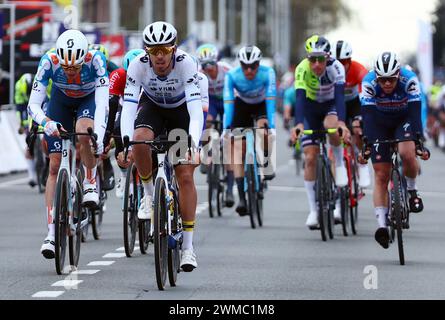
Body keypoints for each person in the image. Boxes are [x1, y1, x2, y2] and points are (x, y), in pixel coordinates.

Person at [120, 21, 203, 272]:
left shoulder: (187, 63)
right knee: (140, 137)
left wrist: (194, 143)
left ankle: (188, 248)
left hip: (181, 111)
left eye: (164, 50)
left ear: (173, 49)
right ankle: (148, 195)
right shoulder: (138, 66)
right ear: (146, 51)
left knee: (185, 174)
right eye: (153, 50)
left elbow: (196, 110)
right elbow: (129, 107)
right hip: (153, 106)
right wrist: (126, 142)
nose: (158, 56)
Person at [28, 29, 108, 259]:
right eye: (66, 68)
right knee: (54, 166)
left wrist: (99, 136)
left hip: (88, 99)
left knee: (84, 133)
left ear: (84, 58)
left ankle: (91, 180)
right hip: (60, 102)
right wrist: (46, 122)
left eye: (76, 67)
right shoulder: (49, 61)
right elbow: (33, 104)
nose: (71, 72)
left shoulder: (96, 61)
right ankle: (52, 233)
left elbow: (102, 103)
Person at [359, 51, 430, 249]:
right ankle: (381, 225)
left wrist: (417, 140)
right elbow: (368, 116)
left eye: (391, 79)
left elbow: (416, 111)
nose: (387, 84)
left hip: (404, 119)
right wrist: (367, 142)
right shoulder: (368, 83)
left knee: (407, 153)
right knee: (381, 174)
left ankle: (412, 191)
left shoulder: (410, 79)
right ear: (377, 77)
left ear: (398, 74)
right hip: (379, 122)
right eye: (383, 80)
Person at [290, 35, 350, 229]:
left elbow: (340, 97)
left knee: (331, 127)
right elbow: (299, 99)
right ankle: (314, 211)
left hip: (330, 106)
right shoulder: (301, 69)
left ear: (328, 57)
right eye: (312, 59)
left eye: (320, 59)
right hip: (310, 109)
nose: (316, 64)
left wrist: (341, 123)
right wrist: (298, 124)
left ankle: (339, 162)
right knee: (310, 158)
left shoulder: (337, 68)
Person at [223, 45, 277, 216]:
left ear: (258, 64)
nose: (249, 70)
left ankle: (266, 161)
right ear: (240, 64)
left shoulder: (267, 73)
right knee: (239, 148)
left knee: (264, 130)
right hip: (242, 106)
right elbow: (229, 102)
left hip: (262, 105)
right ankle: (242, 198)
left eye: (253, 66)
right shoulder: (232, 75)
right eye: (245, 66)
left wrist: (272, 126)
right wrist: (227, 127)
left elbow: (270, 101)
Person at [196, 43, 235, 207]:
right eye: (205, 65)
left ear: (217, 61)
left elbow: (235, 92)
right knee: (207, 122)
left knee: (229, 139)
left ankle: (230, 189)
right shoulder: (198, 74)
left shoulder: (227, 70)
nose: (209, 68)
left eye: (211, 64)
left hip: (227, 101)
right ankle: (207, 155)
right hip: (211, 102)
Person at [105, 48, 145, 198]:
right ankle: (123, 176)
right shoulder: (118, 75)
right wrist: (107, 134)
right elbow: (112, 106)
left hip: (146, 105)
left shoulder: (150, 74)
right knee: (117, 128)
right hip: (125, 104)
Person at [332, 40, 371, 188]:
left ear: (349, 60)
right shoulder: (330, 69)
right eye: (337, 62)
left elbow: (366, 93)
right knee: (334, 133)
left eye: (343, 62)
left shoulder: (358, 69)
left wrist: (360, 118)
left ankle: (362, 165)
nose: (340, 66)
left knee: (357, 130)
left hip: (355, 103)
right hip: (337, 103)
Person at [15, 73, 37, 187]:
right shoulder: (19, 87)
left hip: (39, 100)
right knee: (29, 144)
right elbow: (19, 109)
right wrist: (21, 125)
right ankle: (31, 176)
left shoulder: (40, 83)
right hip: (24, 105)